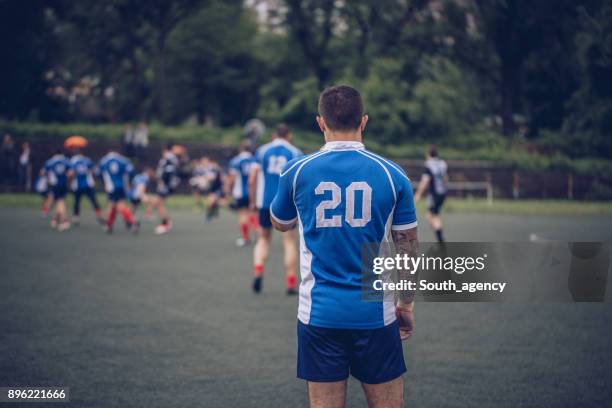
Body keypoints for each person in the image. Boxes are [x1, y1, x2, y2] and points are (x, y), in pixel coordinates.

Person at [270, 85, 418, 408]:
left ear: (320, 123)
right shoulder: (393, 175)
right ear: (363, 121)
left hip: (319, 316)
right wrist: (405, 305)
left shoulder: (296, 172)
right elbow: (408, 250)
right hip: (376, 315)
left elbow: (280, 222)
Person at [248, 124, 302, 294]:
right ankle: (291, 282)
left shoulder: (262, 151)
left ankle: (258, 271)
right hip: (287, 203)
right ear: (289, 135)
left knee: (263, 239)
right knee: (289, 242)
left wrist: (252, 201)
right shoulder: (295, 152)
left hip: (265, 202)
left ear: (273, 135)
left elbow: (252, 179)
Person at [98, 149, 139, 234]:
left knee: (118, 206)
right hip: (122, 186)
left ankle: (133, 222)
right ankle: (109, 225)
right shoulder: (124, 160)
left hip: (111, 187)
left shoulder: (104, 161)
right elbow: (131, 172)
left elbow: (99, 173)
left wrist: (104, 183)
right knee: (114, 206)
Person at [226, 141, 258, 246]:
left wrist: (228, 191)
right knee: (253, 213)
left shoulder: (235, 161)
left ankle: (246, 238)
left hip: (240, 192)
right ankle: (259, 234)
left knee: (243, 214)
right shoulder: (255, 160)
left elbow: (232, 178)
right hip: (254, 191)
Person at [414, 145, 448, 242]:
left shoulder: (429, 164)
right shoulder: (442, 163)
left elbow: (425, 181)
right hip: (442, 193)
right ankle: (438, 234)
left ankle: (440, 238)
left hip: (435, 194)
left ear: (428, 154)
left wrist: (418, 194)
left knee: (432, 216)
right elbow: (445, 179)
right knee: (432, 214)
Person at [69, 151, 103, 225]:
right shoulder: (87, 160)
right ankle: (99, 215)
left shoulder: (73, 161)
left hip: (78, 186)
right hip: (88, 185)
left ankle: (75, 217)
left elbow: (71, 174)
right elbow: (94, 171)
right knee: (94, 201)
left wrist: (71, 183)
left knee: (77, 202)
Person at [153, 144, 179, 235]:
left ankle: (165, 224)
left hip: (165, 185)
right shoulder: (171, 159)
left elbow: (167, 173)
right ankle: (166, 221)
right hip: (166, 185)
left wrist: (163, 183)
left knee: (159, 204)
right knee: (158, 204)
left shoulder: (168, 159)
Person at [44, 150, 72, 231]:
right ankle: (55, 220)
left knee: (60, 202)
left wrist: (48, 179)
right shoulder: (66, 160)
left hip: (55, 184)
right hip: (64, 184)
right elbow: (71, 173)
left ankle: (65, 221)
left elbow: (43, 172)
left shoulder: (50, 161)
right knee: (59, 201)